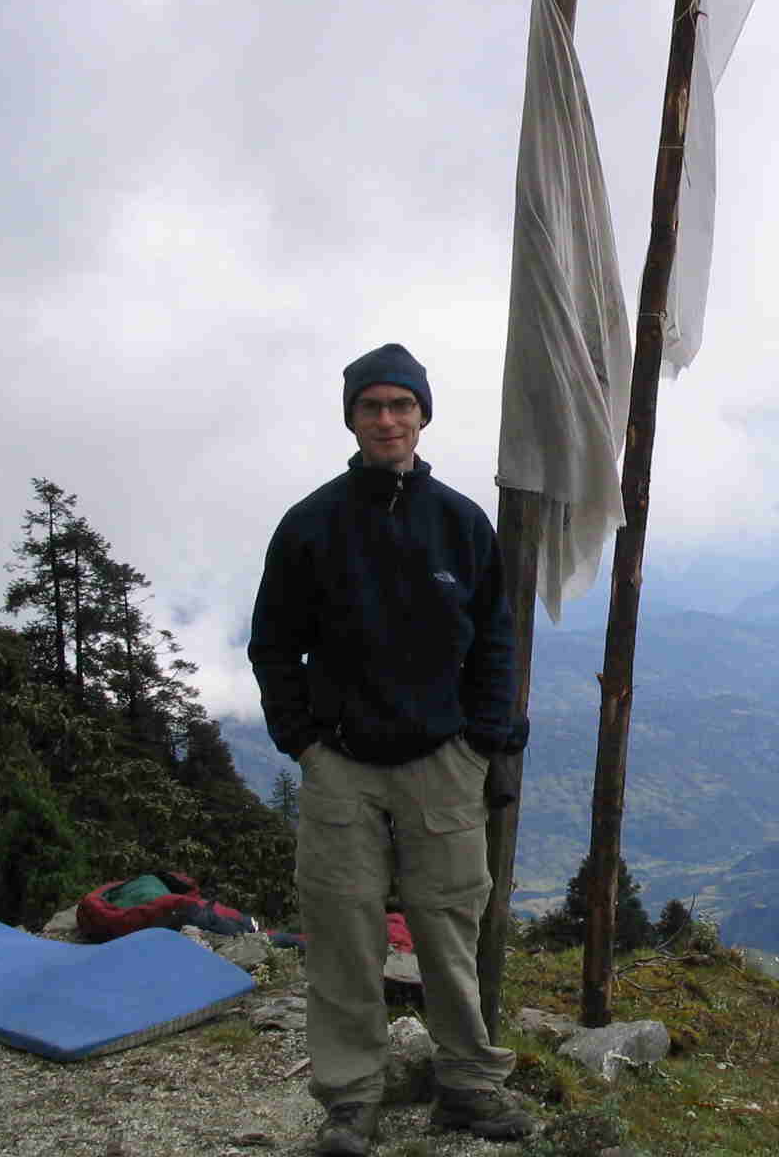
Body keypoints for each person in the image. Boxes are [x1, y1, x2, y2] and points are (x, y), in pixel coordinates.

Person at [249, 343, 534, 1155]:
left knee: (449, 930)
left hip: (442, 761)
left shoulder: (460, 524)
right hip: (341, 762)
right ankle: (350, 1102)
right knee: (343, 935)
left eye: (400, 406)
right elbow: (273, 645)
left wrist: (480, 744)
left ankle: (469, 1087)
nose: (386, 420)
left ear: (422, 416)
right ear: (352, 418)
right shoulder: (310, 525)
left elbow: (496, 645)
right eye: (371, 406)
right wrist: (302, 740)